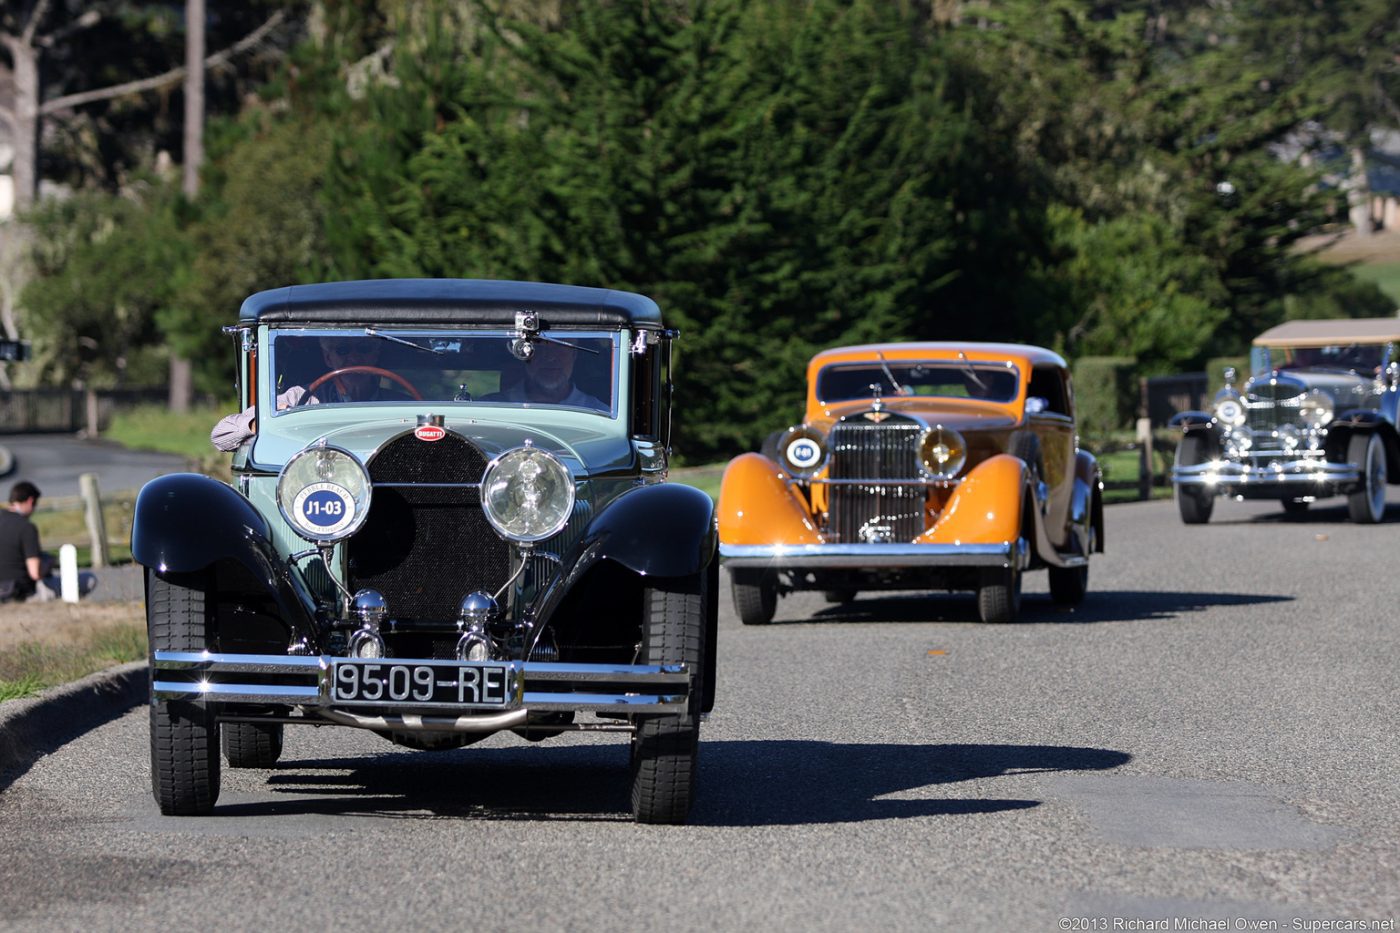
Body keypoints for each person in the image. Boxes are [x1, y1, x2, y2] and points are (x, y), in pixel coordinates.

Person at [211, 336, 407, 451]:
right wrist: (261, 423)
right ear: (328, 358)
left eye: (364, 348)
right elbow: (221, 434)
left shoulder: (401, 405)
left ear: (376, 355)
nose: (354, 357)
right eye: (343, 350)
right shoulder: (300, 398)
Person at [483, 339, 608, 411]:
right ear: (525, 356)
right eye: (539, 349)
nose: (550, 358)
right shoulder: (490, 408)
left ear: (574, 355)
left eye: (560, 348)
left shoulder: (596, 411)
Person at [0, 481, 56, 603]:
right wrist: (49, 562)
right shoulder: (26, 527)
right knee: (85, 581)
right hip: (18, 592)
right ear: (30, 501)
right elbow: (35, 573)